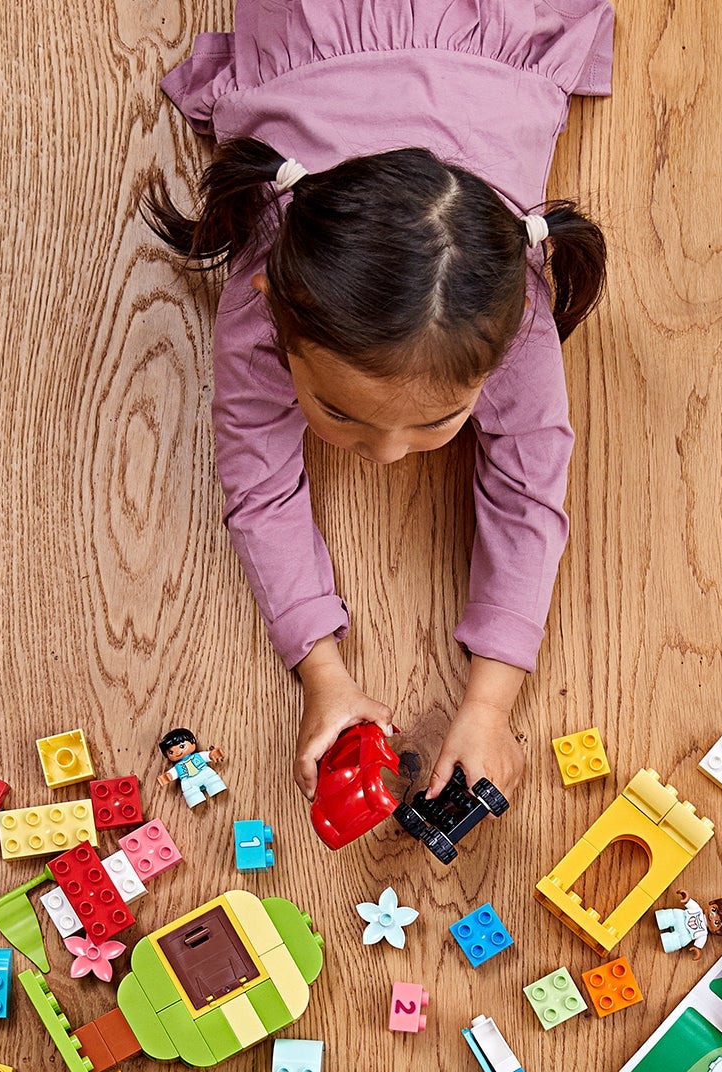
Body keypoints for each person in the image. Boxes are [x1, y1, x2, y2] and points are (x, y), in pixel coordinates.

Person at [142, 0, 614, 799]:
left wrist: (491, 703)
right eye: (342, 413)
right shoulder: (266, 292)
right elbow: (257, 486)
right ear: (274, 313)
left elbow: (530, 493)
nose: (389, 454)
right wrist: (321, 673)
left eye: (436, 420)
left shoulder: (517, 310)